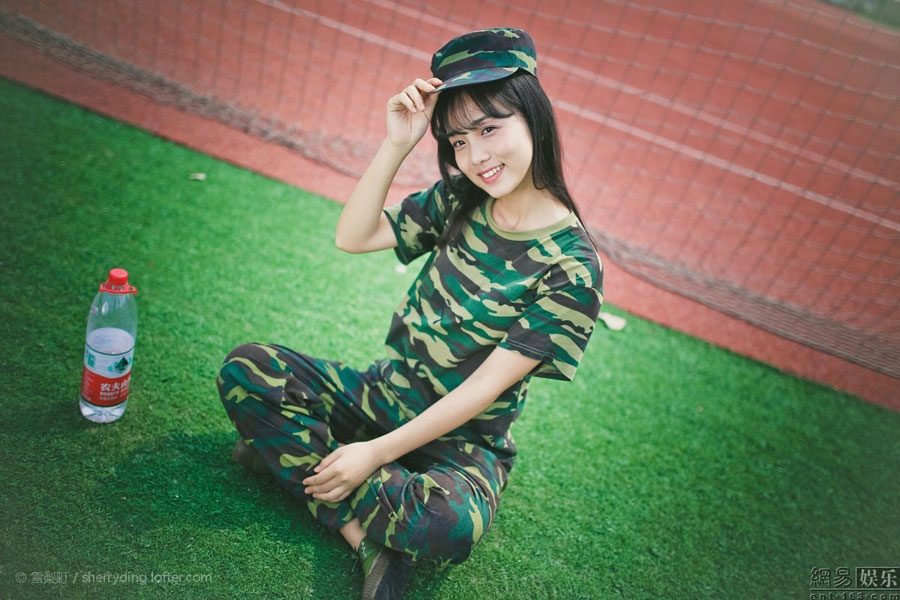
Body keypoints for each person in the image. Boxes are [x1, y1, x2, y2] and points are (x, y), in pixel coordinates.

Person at [216, 27, 603, 600]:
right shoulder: (463, 198)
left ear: (534, 117)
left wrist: (373, 454)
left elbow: (483, 389)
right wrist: (396, 144)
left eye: (489, 129)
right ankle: (363, 537)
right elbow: (354, 236)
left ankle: (298, 461)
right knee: (247, 369)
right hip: (386, 394)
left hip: (464, 441)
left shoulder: (573, 267)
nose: (476, 157)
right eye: (458, 141)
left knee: (450, 525)